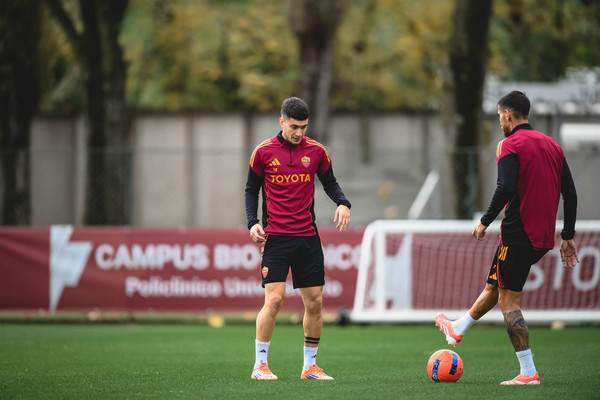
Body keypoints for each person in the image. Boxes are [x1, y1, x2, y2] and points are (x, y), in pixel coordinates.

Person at [435, 91, 579, 385]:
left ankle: (528, 372)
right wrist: (567, 235)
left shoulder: (509, 144)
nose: (500, 121)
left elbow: (505, 187)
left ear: (508, 115)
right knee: (495, 284)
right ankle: (458, 328)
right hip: (543, 237)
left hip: (517, 233)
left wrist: (484, 221)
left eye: (500, 116)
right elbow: (571, 193)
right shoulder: (553, 145)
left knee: (509, 302)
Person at [245, 97, 351, 380]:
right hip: (276, 238)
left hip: (307, 237)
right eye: (294, 126)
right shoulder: (263, 152)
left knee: (315, 302)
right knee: (274, 300)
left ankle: (310, 367)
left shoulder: (316, 151)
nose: (299, 133)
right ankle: (260, 366)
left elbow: (330, 183)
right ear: (282, 122)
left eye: (304, 127)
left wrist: (343, 203)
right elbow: (251, 190)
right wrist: (252, 222)